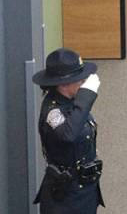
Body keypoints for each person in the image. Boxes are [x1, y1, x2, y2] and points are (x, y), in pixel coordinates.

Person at [32, 48, 104, 213]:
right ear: (63, 84)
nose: (84, 82)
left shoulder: (72, 102)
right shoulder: (52, 111)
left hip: (84, 189)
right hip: (66, 197)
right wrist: (87, 95)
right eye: (80, 80)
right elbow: (68, 134)